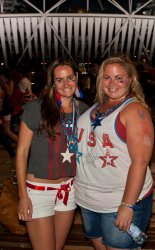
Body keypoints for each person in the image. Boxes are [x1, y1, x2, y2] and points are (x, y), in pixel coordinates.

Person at [74, 55, 154, 250]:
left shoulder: (133, 109)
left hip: (118, 200)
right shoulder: (97, 106)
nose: (112, 83)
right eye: (107, 77)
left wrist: (127, 205)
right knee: (97, 242)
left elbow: (141, 162)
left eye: (119, 78)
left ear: (130, 80)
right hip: (88, 199)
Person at [16, 57, 88, 250]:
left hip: (68, 191)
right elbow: (22, 153)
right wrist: (23, 196)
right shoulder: (35, 108)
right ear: (52, 82)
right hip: (39, 193)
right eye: (59, 80)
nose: (66, 84)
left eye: (70, 78)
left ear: (77, 78)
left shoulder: (84, 111)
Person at [0, 69, 18, 143]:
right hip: (3, 109)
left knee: (7, 131)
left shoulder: (9, 82)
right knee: (6, 131)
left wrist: (4, 82)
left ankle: (21, 144)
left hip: (6, 109)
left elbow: (10, 92)